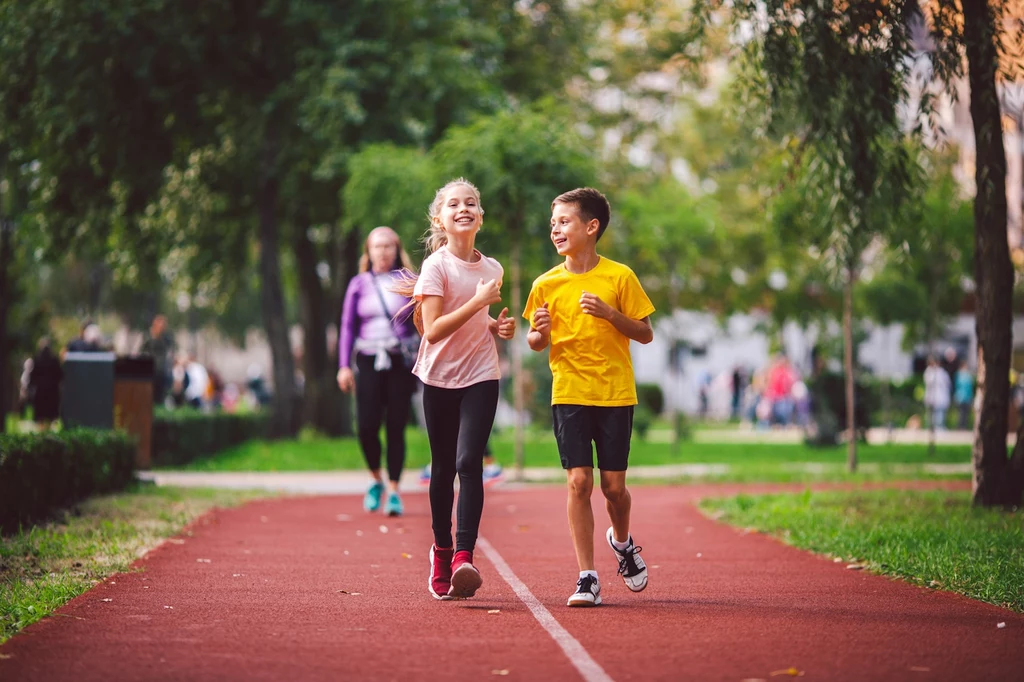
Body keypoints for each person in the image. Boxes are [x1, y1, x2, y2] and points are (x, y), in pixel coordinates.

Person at [523, 187, 655, 607]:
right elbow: (535, 341)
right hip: (570, 392)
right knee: (579, 483)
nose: (556, 230)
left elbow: (645, 332)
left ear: (591, 226)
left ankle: (622, 541)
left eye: (564, 222)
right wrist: (539, 332)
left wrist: (610, 314)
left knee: (614, 488)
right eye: (553, 224)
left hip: (615, 393)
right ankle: (587, 576)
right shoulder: (545, 283)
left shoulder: (620, 277)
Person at [393, 178, 515, 600]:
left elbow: (480, 322)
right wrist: (480, 305)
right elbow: (434, 331)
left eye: (472, 203)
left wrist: (497, 326)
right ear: (440, 219)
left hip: (481, 374)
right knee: (442, 468)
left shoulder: (493, 268)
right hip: (439, 377)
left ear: (481, 216)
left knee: (469, 461)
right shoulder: (437, 267)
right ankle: (441, 551)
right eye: (454, 205)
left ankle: (464, 556)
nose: (464, 209)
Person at [337, 226, 420, 518]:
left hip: (399, 362)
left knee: (396, 426)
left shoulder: (409, 281)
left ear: (396, 250)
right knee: (367, 426)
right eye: (377, 246)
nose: (382, 252)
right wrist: (343, 365)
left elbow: (421, 322)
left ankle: (395, 490)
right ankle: (376, 479)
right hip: (369, 360)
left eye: (388, 246)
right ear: (368, 251)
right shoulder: (359, 284)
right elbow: (347, 326)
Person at [29, 337, 63, 431]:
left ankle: (42, 433)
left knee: (41, 416)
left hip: (40, 391)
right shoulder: (54, 359)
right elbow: (60, 375)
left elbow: (33, 376)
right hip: (52, 391)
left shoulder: (37, 359)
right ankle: (49, 432)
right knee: (51, 416)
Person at [141, 314, 176, 406]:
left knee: (160, 396)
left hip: (162, 371)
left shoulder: (166, 336)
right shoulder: (148, 335)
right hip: (150, 370)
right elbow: (143, 350)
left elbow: (169, 348)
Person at [923, 355, 951, 431]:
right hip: (931, 396)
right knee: (931, 414)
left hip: (940, 397)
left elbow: (947, 383)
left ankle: (939, 427)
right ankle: (931, 427)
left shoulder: (941, 372)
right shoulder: (929, 371)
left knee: (939, 413)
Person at [953, 361, 974, 430]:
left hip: (961, 397)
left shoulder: (958, 375)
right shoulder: (967, 375)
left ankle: (961, 426)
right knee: (963, 413)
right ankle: (962, 426)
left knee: (962, 413)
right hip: (964, 397)